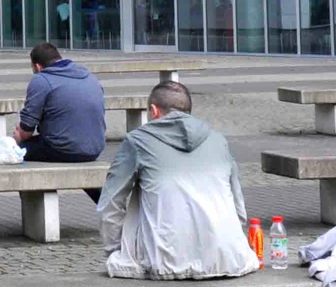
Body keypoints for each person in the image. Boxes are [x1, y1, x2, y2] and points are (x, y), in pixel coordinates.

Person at [98, 81, 258, 279]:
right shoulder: (218, 140)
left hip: (163, 262)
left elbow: (111, 201)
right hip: (229, 259)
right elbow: (238, 208)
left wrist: (114, 249)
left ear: (154, 111)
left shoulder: (137, 141)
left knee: (141, 190)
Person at [12, 42, 106, 201]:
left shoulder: (41, 80)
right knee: (76, 155)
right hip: (94, 147)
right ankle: (107, 205)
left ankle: (35, 211)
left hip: (61, 148)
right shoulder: (89, 77)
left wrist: (15, 139)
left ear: (37, 66)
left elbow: (26, 130)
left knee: (16, 152)